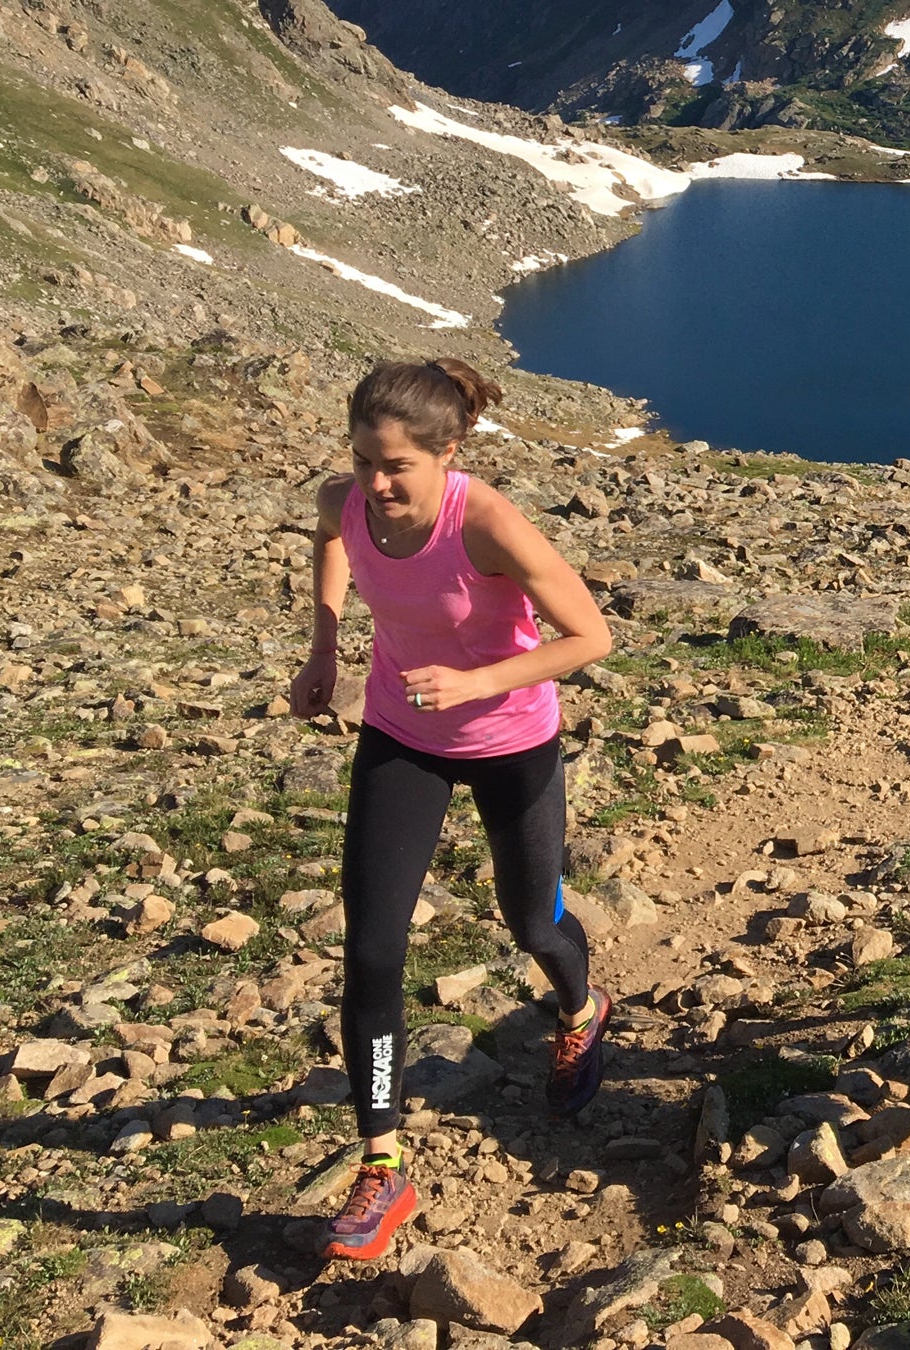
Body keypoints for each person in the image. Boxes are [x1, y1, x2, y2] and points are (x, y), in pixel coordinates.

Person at [289, 358, 615, 1261]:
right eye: (363, 461)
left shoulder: (488, 521)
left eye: (396, 466)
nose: (376, 483)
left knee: (533, 923)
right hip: (402, 736)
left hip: (512, 742)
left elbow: (591, 635)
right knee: (372, 948)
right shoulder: (347, 501)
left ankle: (581, 1010)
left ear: (449, 453)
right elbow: (325, 535)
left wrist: (477, 679)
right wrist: (325, 645)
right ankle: (382, 1161)